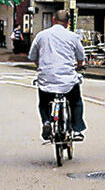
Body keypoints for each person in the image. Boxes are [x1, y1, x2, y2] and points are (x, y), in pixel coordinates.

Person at [28, 10, 86, 141]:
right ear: (68, 23)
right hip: (68, 81)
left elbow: (33, 56)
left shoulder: (41, 35)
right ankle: (77, 130)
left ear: (53, 20)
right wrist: (79, 66)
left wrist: (40, 67)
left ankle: (47, 122)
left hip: (46, 79)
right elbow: (81, 57)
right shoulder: (73, 37)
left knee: (43, 103)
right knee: (76, 102)